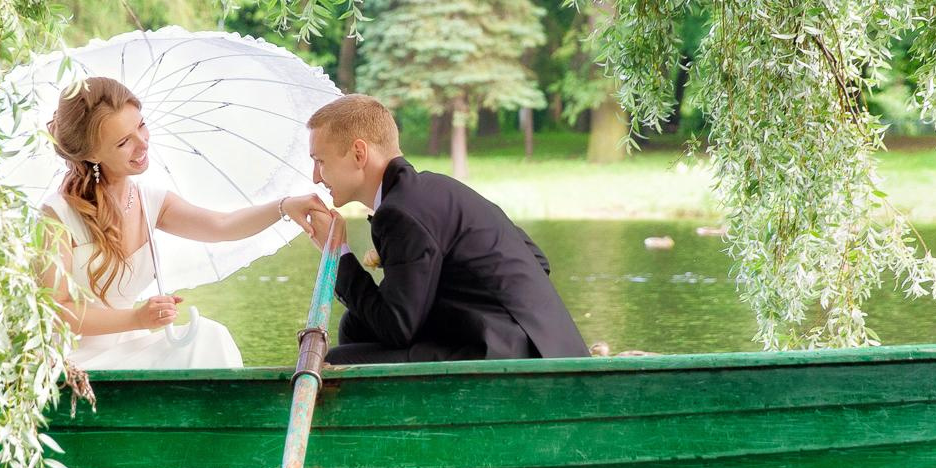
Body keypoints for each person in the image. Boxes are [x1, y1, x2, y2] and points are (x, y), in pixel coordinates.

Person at [42, 76, 324, 369]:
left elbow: (221, 225)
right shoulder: (58, 215)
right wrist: (137, 318)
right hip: (74, 359)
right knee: (205, 339)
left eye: (141, 126)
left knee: (210, 335)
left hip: (131, 346)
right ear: (90, 154)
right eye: (124, 142)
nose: (142, 144)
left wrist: (283, 206)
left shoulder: (150, 201)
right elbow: (57, 309)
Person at [299, 94, 588, 365]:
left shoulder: (401, 212)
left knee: (338, 363)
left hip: (507, 356)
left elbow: (396, 327)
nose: (315, 177)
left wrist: (339, 255)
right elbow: (538, 261)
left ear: (359, 153)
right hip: (548, 346)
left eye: (320, 161)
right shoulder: (435, 191)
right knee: (357, 324)